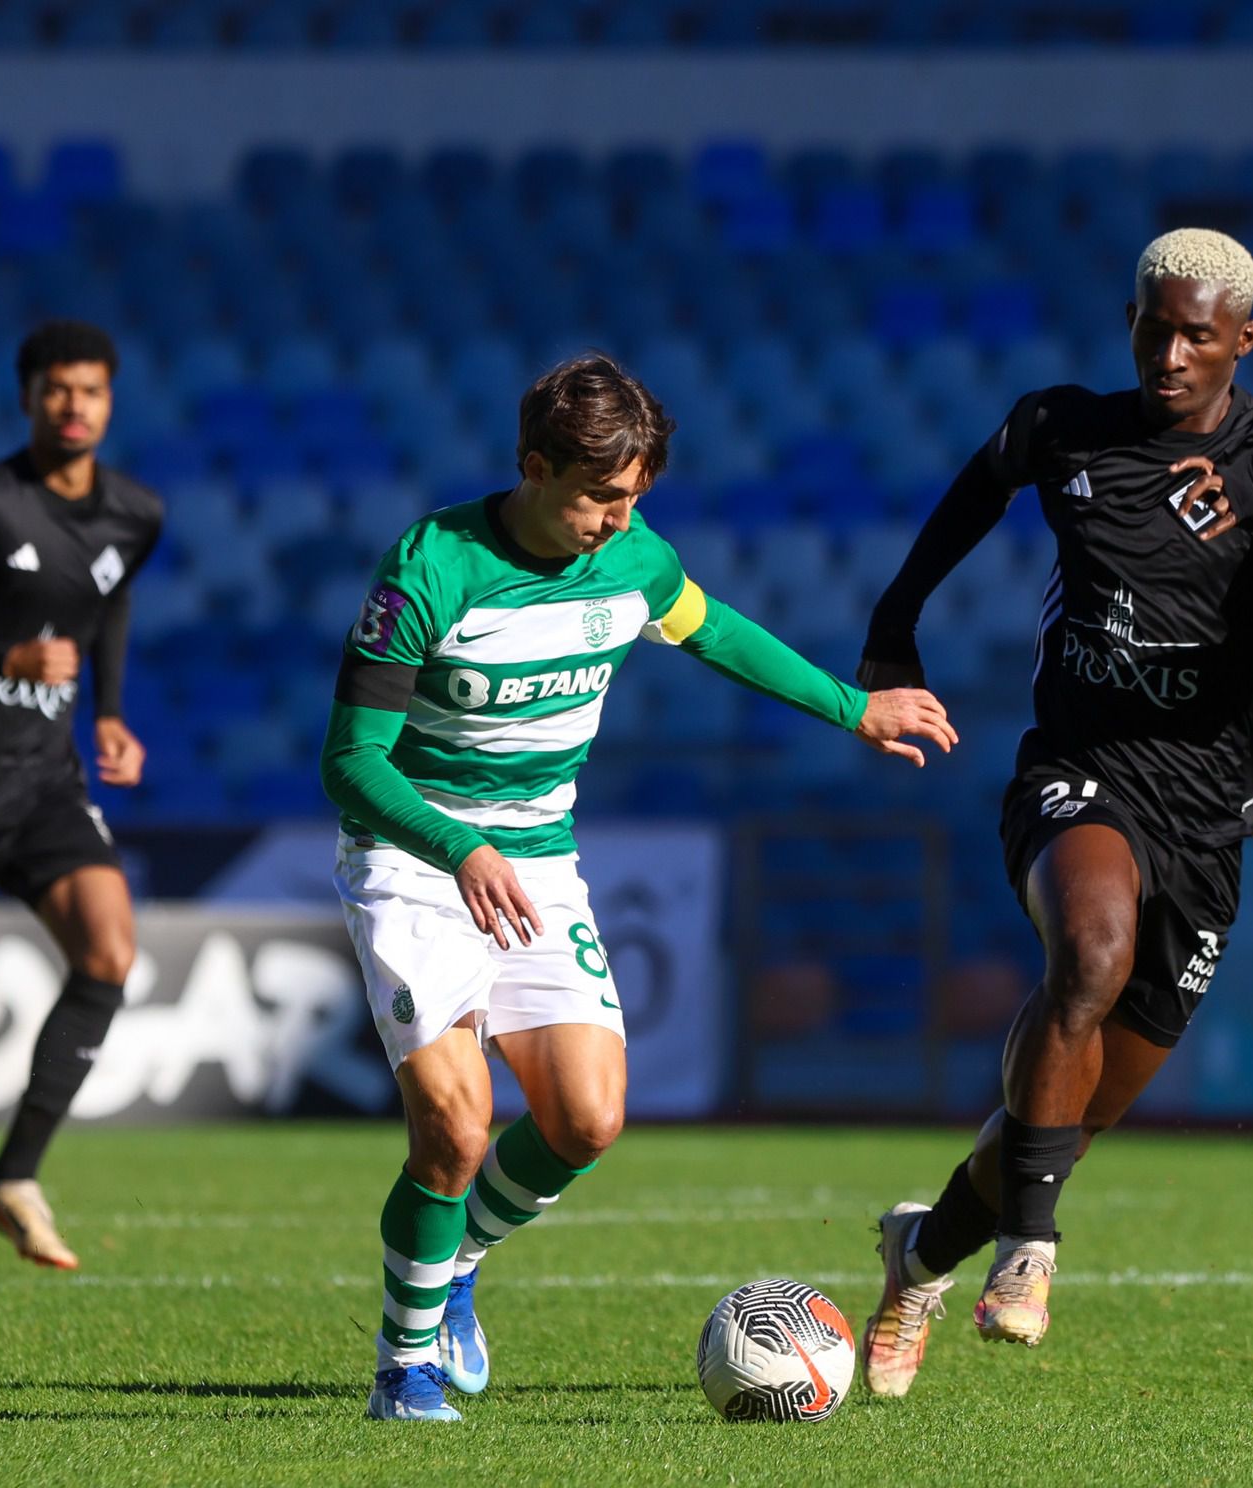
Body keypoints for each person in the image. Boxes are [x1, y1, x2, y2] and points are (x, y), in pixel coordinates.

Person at [322, 353, 955, 1423]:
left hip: (536, 862)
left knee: (586, 1118)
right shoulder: (429, 567)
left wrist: (855, 708)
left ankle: (460, 1256)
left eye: (634, 498)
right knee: (455, 1124)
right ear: (532, 467)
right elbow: (350, 761)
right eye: (598, 497)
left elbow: (716, 633)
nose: (617, 520)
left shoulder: (633, 559)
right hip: (416, 860)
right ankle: (404, 1363)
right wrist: (459, 848)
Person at [852, 228, 1253, 1395]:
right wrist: (892, 627)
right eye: (1151, 326)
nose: (1168, 352)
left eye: (1195, 335)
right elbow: (967, 499)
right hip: (1078, 767)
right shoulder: (1062, 429)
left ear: (1241, 342)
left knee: (1069, 1119)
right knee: (1087, 956)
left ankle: (921, 1252)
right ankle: (1028, 1253)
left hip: (1210, 816)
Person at [0, 320, 161, 1271]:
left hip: (45, 781)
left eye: (91, 390)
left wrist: (110, 712)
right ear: (27, 398)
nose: (75, 406)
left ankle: (11, 1178)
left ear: (110, 399)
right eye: (58, 390)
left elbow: (112, 596)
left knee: (110, 947)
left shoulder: (136, 512)